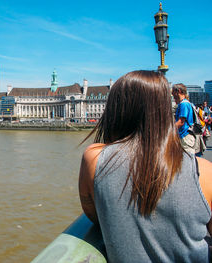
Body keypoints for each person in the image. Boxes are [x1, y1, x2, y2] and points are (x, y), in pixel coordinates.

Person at [78, 70, 212, 262]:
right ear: (166, 111)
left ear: (116, 111)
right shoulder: (205, 171)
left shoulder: (94, 158)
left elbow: (96, 216)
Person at [171, 83, 196, 155]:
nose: (172, 95)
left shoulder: (184, 104)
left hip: (185, 136)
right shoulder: (185, 103)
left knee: (187, 160)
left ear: (178, 91)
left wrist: (169, 130)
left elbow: (181, 122)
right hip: (184, 136)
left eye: (173, 92)